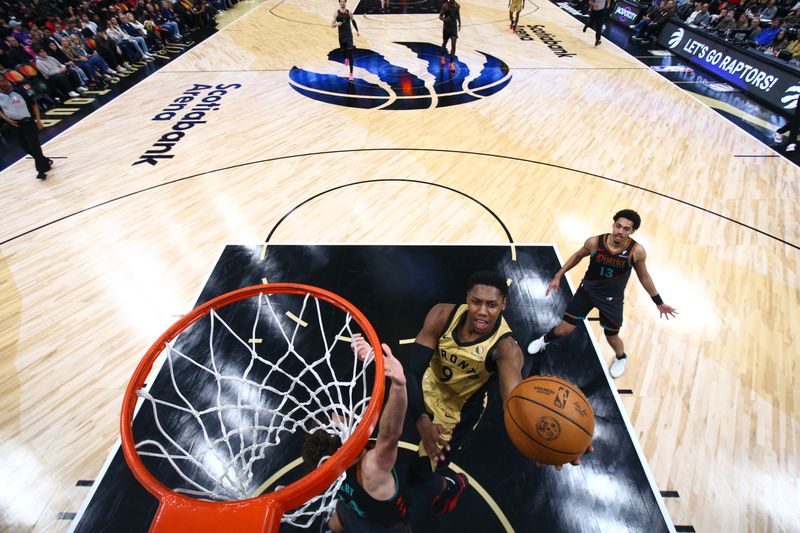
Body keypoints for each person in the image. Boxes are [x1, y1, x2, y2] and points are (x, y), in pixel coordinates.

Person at [405, 270, 590, 502]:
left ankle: (449, 486)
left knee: (417, 476)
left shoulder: (506, 349)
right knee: (382, 425)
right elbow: (412, 371)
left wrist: (542, 440)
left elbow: (515, 403)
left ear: (504, 304)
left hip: (455, 413)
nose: (482, 312)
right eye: (476, 302)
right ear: (467, 299)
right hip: (427, 384)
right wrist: (422, 420)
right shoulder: (442, 315)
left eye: (491, 305)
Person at [527, 210, 677, 378]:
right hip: (587, 292)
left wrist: (658, 302)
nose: (620, 231)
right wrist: (558, 275)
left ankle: (621, 358)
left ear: (632, 231)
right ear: (613, 224)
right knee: (563, 330)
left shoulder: (636, 251)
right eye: (618, 226)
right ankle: (544, 340)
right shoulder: (594, 242)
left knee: (611, 337)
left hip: (611, 300)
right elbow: (577, 256)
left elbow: (644, 277)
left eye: (626, 229)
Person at [301, 334, 413, 532]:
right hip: (386, 528)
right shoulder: (371, 467)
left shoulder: (327, 467)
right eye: (346, 425)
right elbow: (389, 435)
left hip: (351, 507)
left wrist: (368, 357)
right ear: (346, 450)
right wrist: (398, 386)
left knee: (337, 520)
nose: (350, 420)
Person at [0, 77, 53, 180]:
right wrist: (6, 118)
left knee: (34, 146)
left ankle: (41, 171)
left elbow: (34, 105)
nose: (1, 83)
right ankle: (45, 161)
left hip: (28, 122)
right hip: (14, 125)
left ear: (6, 81)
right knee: (25, 147)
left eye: (1, 81)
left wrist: (38, 120)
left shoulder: (18, 91)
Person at [331, 0, 360, 81]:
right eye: (341, 2)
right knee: (343, 51)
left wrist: (357, 30)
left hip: (349, 36)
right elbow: (332, 25)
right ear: (339, 3)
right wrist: (336, 24)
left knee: (350, 54)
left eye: (344, 1)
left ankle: (351, 73)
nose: (343, 3)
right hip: (341, 37)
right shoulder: (336, 13)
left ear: (345, 2)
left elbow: (353, 21)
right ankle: (345, 57)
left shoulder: (349, 13)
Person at [439, 0, 461, 72]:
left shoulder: (457, 6)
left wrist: (460, 23)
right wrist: (445, 20)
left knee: (453, 45)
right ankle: (442, 56)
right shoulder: (445, 6)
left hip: (453, 28)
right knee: (444, 42)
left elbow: (458, 15)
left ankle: (451, 63)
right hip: (447, 27)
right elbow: (440, 16)